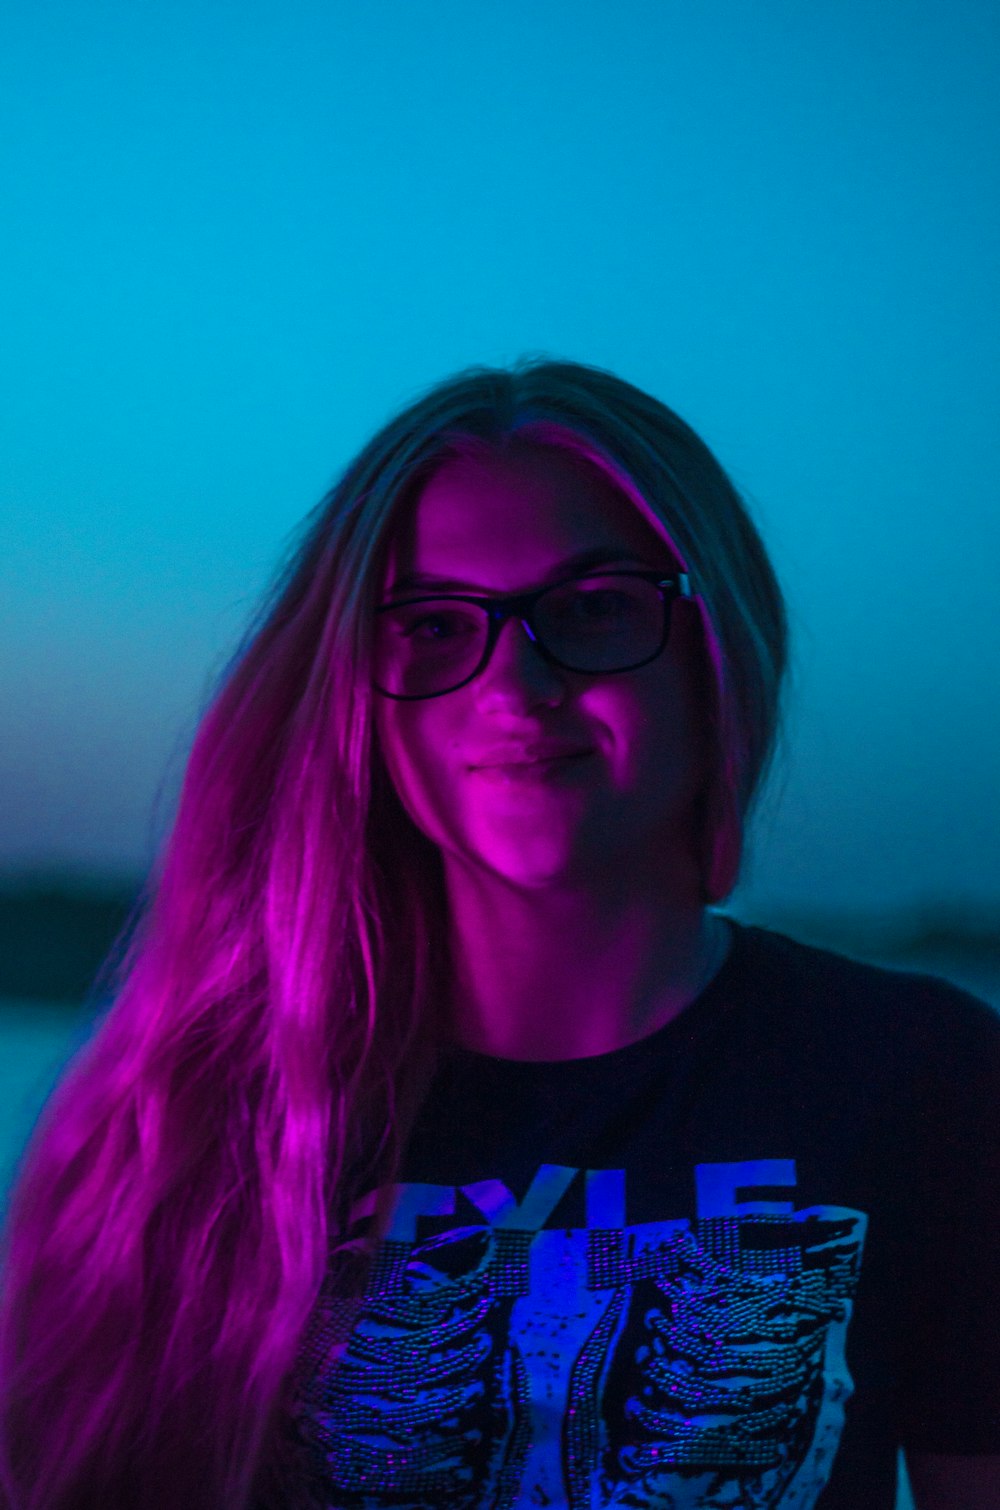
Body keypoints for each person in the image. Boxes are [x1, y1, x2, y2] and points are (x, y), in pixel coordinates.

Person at [0, 358, 997, 1510]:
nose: (517, 682)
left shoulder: (922, 1078)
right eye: (433, 623)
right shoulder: (197, 1122)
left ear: (714, 646)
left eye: (595, 606)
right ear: (355, 691)